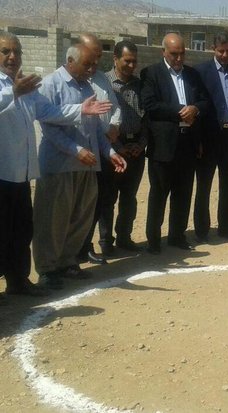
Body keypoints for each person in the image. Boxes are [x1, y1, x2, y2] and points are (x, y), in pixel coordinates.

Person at [0, 31, 112, 298]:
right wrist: (13, 92)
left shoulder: (23, 84)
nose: (13, 57)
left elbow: (49, 112)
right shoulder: (15, 87)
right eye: (6, 51)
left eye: (17, 51)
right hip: (3, 173)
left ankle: (18, 281)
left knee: (21, 230)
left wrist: (80, 110)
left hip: (21, 173)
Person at [33, 44, 126, 290]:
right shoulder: (51, 84)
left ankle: (67, 261)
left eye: (94, 64)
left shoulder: (86, 86)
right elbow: (48, 127)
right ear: (70, 61)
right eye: (87, 65)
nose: (92, 69)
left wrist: (110, 152)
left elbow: (94, 129)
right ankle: (48, 268)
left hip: (87, 166)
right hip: (60, 166)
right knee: (53, 220)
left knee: (80, 218)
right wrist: (76, 151)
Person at [140, 33, 210, 254]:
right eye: (174, 54)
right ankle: (153, 240)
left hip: (187, 144)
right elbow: (150, 104)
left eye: (182, 53)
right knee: (159, 194)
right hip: (163, 145)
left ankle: (177, 236)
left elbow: (205, 101)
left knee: (183, 193)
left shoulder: (192, 75)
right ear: (163, 52)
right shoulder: (151, 73)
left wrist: (195, 109)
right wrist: (181, 111)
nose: (178, 58)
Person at [194, 31, 228, 242]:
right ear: (213, 49)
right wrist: (197, 140)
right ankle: (201, 230)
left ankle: (226, 228)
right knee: (204, 186)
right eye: (221, 51)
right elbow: (198, 106)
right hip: (208, 138)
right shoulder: (201, 72)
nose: (225, 55)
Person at [76, 33, 122, 265]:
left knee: (102, 201)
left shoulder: (102, 79)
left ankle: (88, 246)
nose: (95, 63)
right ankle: (76, 249)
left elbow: (116, 108)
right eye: (91, 58)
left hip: (103, 149)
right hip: (79, 155)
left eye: (98, 58)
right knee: (81, 206)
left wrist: (114, 124)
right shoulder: (69, 82)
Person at [97, 40, 146, 253]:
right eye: (127, 61)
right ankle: (106, 242)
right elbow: (100, 120)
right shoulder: (103, 83)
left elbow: (147, 117)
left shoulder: (140, 85)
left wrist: (142, 144)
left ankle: (124, 237)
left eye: (134, 61)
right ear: (115, 59)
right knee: (108, 197)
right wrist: (117, 146)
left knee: (129, 197)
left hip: (135, 148)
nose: (131, 66)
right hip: (113, 147)